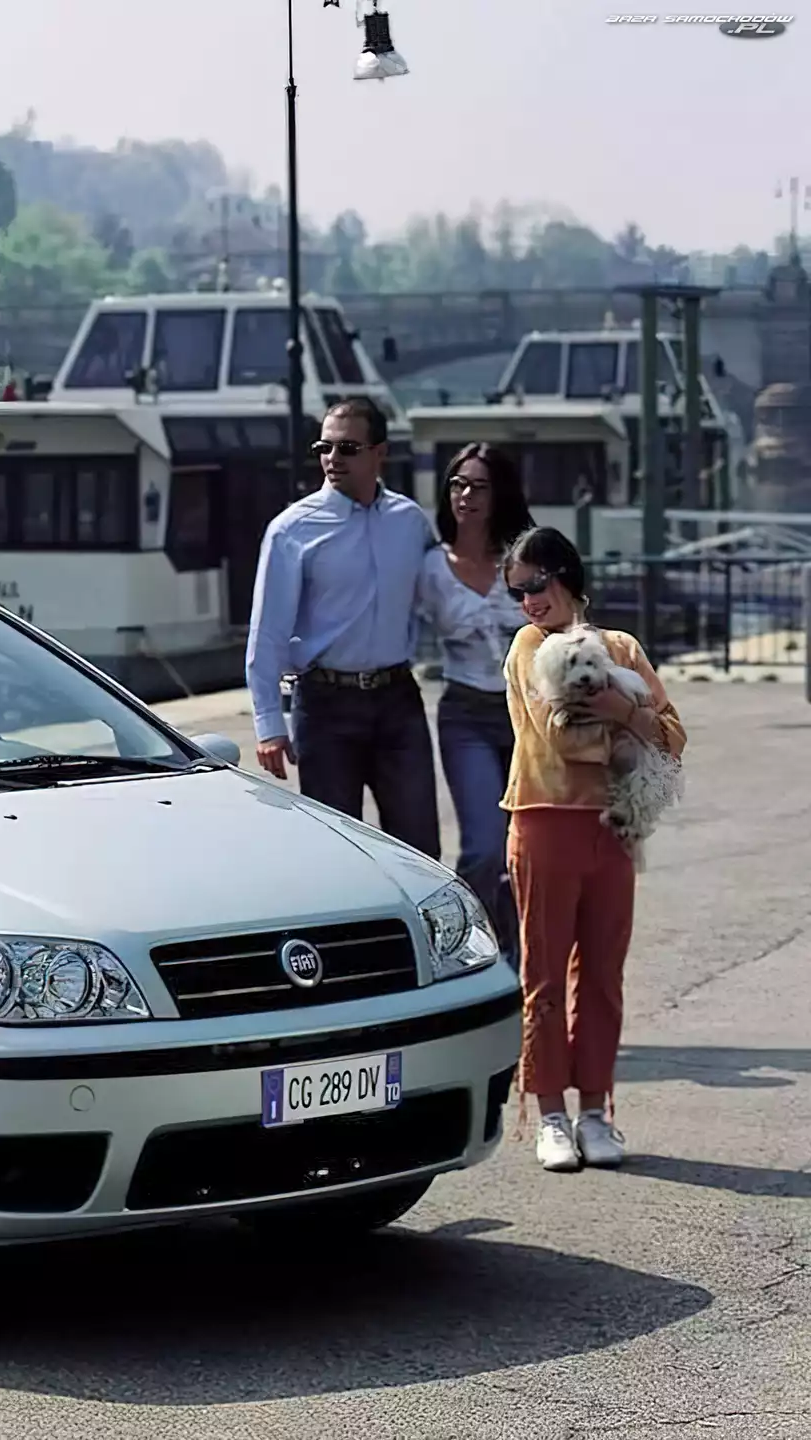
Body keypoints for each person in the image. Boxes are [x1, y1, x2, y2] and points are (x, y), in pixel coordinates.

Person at [500, 526, 686, 1173]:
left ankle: (596, 1112)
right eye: (517, 591)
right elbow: (560, 740)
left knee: (604, 977)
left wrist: (618, 711)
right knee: (545, 977)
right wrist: (631, 718)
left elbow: (674, 735)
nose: (528, 601)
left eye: (535, 584)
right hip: (543, 821)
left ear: (566, 576)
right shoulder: (529, 647)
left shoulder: (623, 647)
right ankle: (550, 1113)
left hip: (614, 828)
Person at [246, 396, 442, 860]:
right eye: (324, 447)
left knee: (419, 850)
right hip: (326, 706)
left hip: (398, 700)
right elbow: (267, 632)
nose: (332, 458)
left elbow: (437, 598)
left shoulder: (410, 521)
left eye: (348, 448)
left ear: (380, 453)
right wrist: (269, 725)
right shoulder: (292, 529)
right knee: (337, 854)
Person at [415, 444, 534, 959]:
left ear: (499, 493)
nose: (466, 495)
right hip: (466, 713)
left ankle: (525, 956)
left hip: (530, 716)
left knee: (528, 848)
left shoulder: (527, 559)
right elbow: (393, 627)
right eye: (458, 484)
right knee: (484, 847)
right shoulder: (431, 567)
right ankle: (470, 951)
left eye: (479, 486)